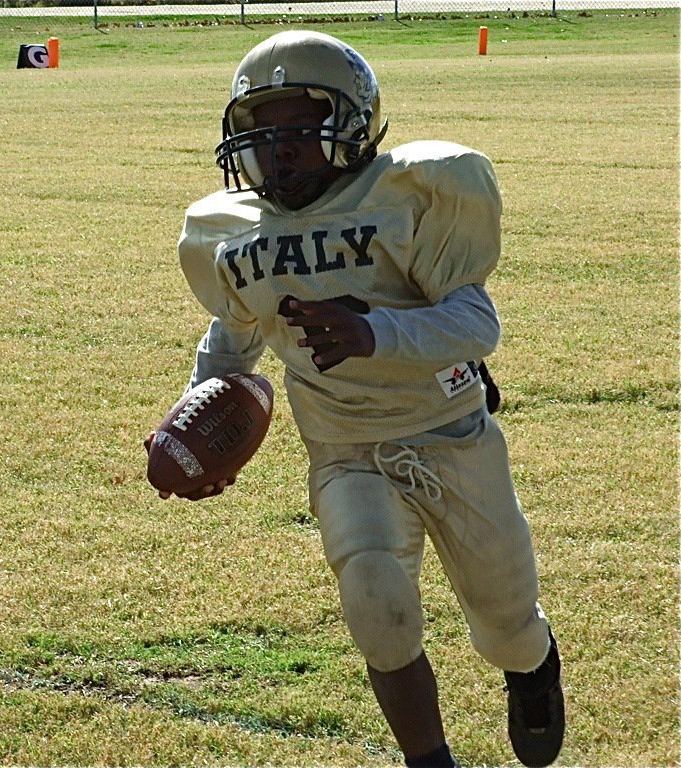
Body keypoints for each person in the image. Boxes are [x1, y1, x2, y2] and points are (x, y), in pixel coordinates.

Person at [167, 30, 564, 768]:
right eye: (263, 131)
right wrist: (198, 416)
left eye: (298, 128)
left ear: (351, 125)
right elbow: (232, 340)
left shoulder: (412, 194)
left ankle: (534, 669)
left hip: (451, 435)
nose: (279, 148)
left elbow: (477, 321)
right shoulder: (235, 232)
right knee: (376, 604)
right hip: (345, 451)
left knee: (506, 625)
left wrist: (374, 331)